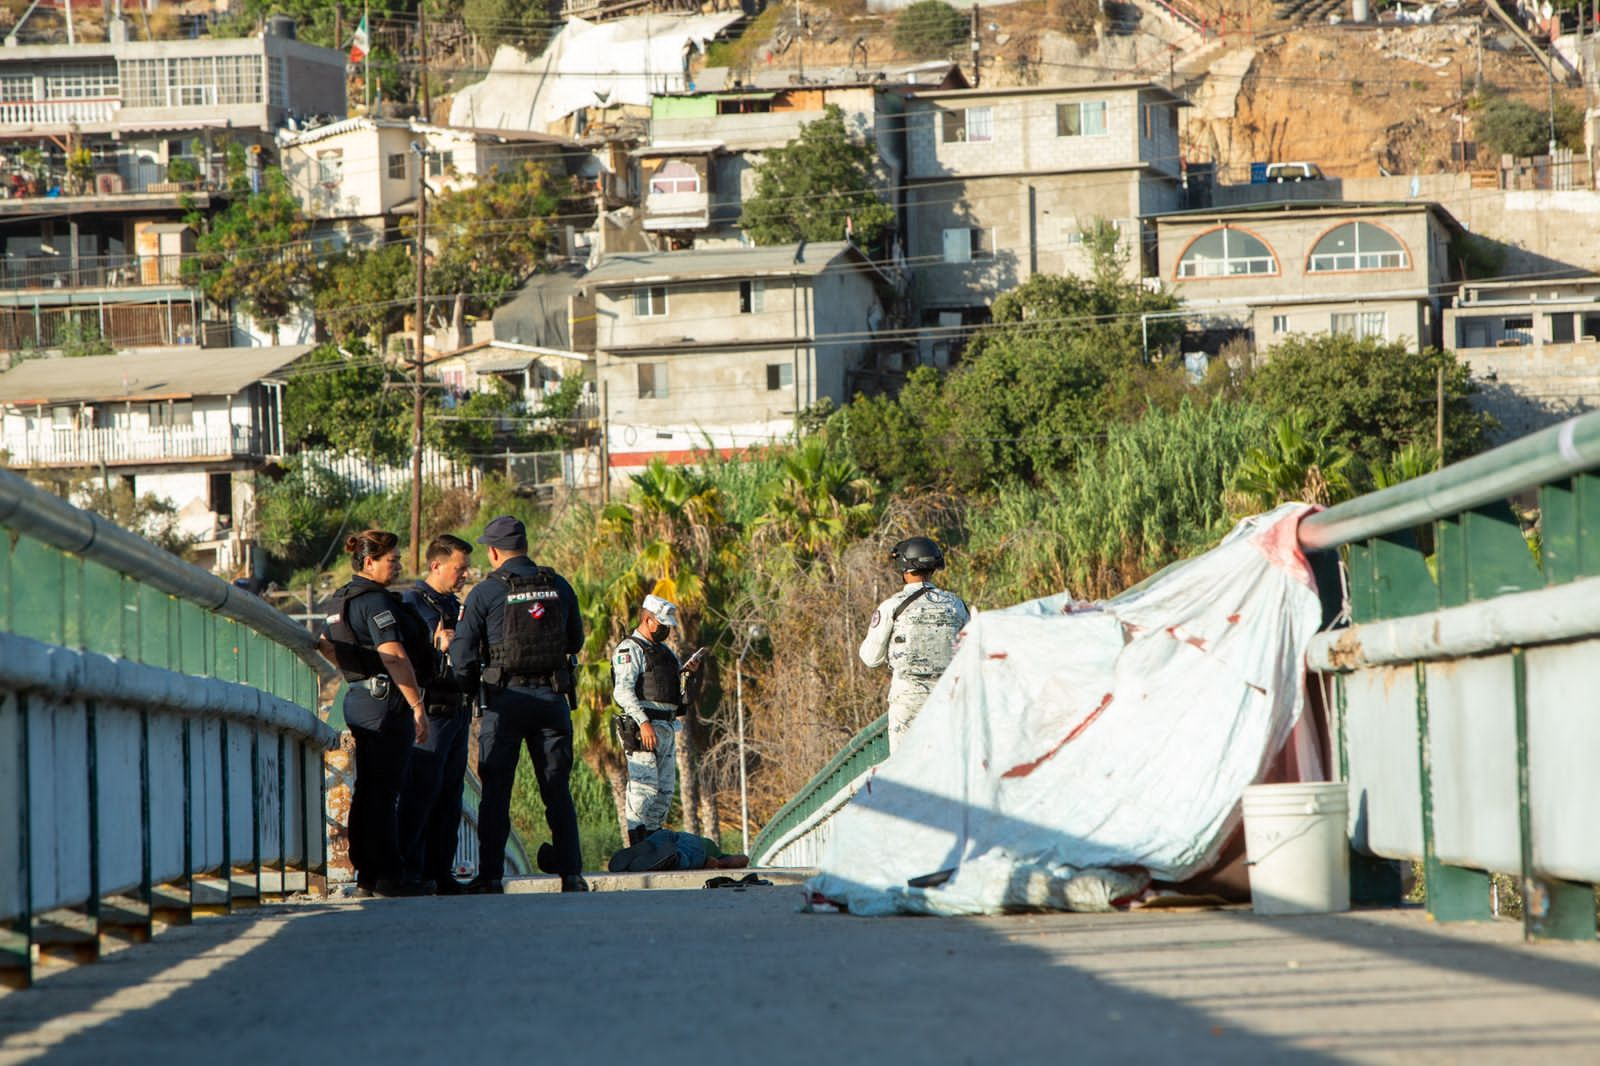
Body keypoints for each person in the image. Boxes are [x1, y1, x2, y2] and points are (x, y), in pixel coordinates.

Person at [449, 515, 587, 894]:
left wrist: (467, 690)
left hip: (503, 702)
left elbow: (460, 655)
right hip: (551, 700)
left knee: (496, 793)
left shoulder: (486, 593)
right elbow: (575, 641)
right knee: (557, 789)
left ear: (493, 552)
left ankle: (491, 877)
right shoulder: (557, 584)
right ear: (524, 546)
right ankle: (572, 875)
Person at [316, 530, 435, 897]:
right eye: (392, 560)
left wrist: (358, 673)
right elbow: (394, 655)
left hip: (359, 697)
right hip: (386, 703)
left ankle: (368, 873)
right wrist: (417, 706)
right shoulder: (374, 602)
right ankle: (388, 876)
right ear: (369, 562)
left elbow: (326, 648)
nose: (397, 566)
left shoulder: (339, 600)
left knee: (369, 790)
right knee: (385, 791)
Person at [396, 533, 473, 895]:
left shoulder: (454, 604)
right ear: (436, 565)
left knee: (450, 795)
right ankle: (412, 870)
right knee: (421, 791)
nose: (465, 575)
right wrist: (436, 641)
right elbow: (410, 652)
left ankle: (441, 871)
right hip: (432, 710)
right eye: (460, 568)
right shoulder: (413, 603)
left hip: (457, 708)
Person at [859, 536, 970, 752]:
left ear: (904, 568)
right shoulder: (956, 605)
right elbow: (972, 650)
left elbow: (870, 658)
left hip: (908, 701)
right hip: (949, 698)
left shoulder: (892, 606)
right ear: (934, 567)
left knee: (904, 773)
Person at [611, 594, 705, 846]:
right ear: (647, 619)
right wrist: (643, 722)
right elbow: (622, 691)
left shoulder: (665, 653)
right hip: (642, 727)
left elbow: (675, 694)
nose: (665, 629)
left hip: (666, 727)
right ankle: (636, 840)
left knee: (664, 791)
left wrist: (688, 675)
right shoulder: (629, 649)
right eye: (661, 624)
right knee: (643, 787)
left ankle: (652, 840)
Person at [607, 829, 748, 873]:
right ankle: (673, 857)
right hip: (694, 847)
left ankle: (646, 846)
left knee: (655, 842)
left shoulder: (708, 842)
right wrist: (719, 863)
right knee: (683, 856)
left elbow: (743, 859)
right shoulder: (715, 852)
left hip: (672, 835)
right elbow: (744, 859)